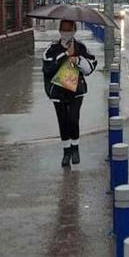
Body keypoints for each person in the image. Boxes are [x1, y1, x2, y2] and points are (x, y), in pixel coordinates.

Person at [43, 20, 97, 167]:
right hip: (58, 92)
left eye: (69, 29)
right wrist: (66, 54)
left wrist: (77, 59)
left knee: (73, 119)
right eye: (64, 29)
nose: (66, 32)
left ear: (75, 30)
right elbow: (48, 68)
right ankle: (66, 151)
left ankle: (75, 148)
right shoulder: (52, 48)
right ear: (60, 30)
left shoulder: (80, 47)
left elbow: (91, 67)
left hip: (76, 91)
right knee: (63, 120)